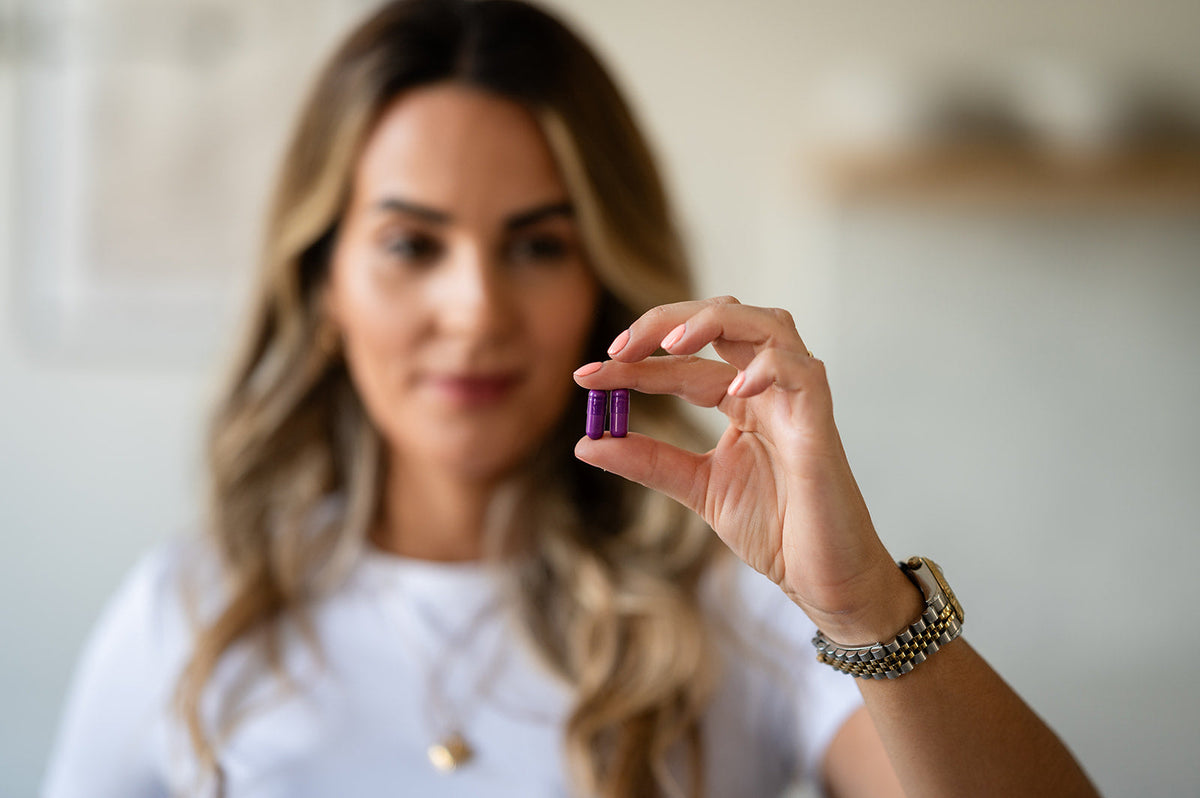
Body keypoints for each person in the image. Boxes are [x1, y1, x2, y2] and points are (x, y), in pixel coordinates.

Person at [43, 1, 1101, 796]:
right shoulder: (188, 611)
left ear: (601, 276)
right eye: (413, 244)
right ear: (325, 286)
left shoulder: (736, 607)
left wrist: (862, 600)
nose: (475, 310)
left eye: (538, 244)